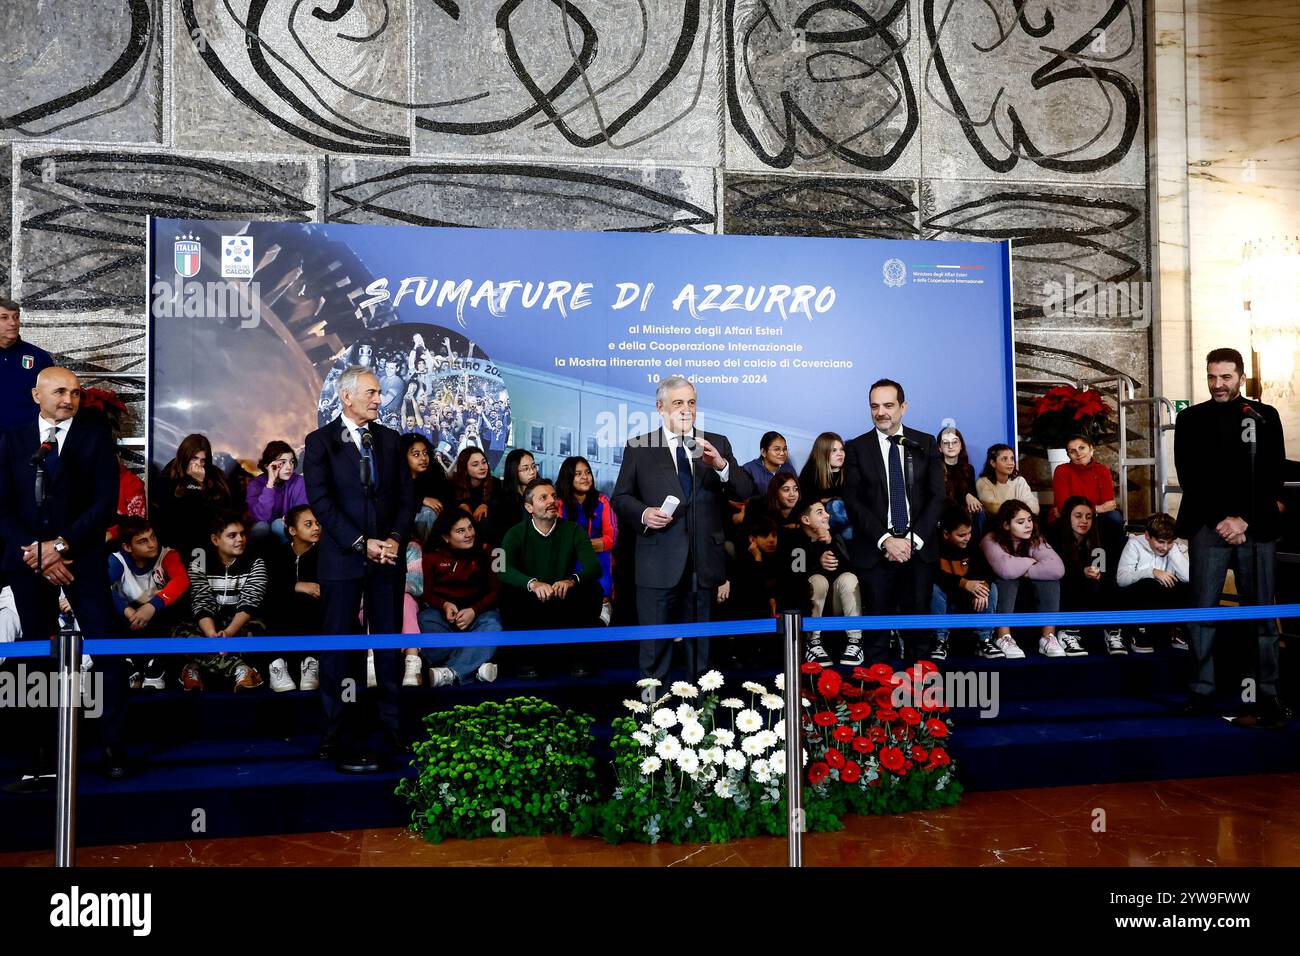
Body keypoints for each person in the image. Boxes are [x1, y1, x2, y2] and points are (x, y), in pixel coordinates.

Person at [0, 367, 129, 788]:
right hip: (28, 563)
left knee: (107, 651)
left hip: (82, 561)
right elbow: (3, 506)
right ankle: (38, 752)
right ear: (36, 393)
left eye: (75, 392)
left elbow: (104, 504)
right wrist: (36, 551)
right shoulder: (14, 439)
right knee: (35, 658)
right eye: (59, 391)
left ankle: (113, 747)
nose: (68, 399)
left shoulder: (95, 438)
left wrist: (59, 546)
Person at [303, 364, 415, 772]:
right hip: (343, 560)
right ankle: (336, 732)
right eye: (370, 392)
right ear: (346, 395)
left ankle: (390, 727)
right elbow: (322, 502)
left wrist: (395, 541)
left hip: (387, 559)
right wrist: (359, 543)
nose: (378, 399)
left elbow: (406, 499)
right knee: (339, 649)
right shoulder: (320, 443)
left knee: (387, 646)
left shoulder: (389, 440)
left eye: (379, 392)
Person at [1173, 348, 1287, 726]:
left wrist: (1245, 522)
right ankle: (1201, 691)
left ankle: (1266, 695)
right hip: (1209, 527)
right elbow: (1190, 476)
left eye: (1225, 377)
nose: (1218, 384)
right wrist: (1223, 520)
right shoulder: (1190, 419)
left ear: (1240, 377)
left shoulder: (1264, 416)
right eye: (1211, 377)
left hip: (1256, 530)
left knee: (1263, 615)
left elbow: (1272, 475)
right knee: (1202, 612)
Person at [611, 376, 754, 679]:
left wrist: (721, 466)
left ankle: (699, 719)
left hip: (703, 565)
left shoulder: (716, 443)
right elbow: (620, 498)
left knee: (700, 650)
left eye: (691, 403)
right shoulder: (640, 447)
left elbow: (743, 490)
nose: (686, 410)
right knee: (654, 649)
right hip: (657, 562)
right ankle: (652, 718)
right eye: (678, 403)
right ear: (660, 407)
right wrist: (644, 513)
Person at [841, 379, 945, 664]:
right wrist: (888, 540)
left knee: (919, 638)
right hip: (876, 553)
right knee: (876, 639)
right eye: (874, 406)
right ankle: (879, 704)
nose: (881, 412)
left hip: (918, 551)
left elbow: (937, 497)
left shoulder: (924, 443)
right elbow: (853, 501)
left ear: (903, 407)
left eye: (888, 405)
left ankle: (918, 703)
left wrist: (912, 541)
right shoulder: (857, 448)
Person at [499, 478, 603, 679]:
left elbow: (594, 567)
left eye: (553, 496)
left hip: (563, 596)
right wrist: (532, 583)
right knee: (507, 593)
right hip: (531, 599)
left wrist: (571, 580)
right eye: (543, 497)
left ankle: (580, 658)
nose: (551, 501)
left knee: (592, 590)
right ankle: (525, 661)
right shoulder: (514, 533)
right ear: (529, 507)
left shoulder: (574, 530)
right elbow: (501, 570)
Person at [176, 511, 267, 691]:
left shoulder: (255, 561)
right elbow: (201, 601)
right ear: (215, 540)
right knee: (178, 634)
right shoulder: (199, 561)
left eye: (242, 534)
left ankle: (195, 667)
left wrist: (228, 634)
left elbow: (250, 602)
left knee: (260, 632)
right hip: (208, 625)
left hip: (240, 624)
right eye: (232, 535)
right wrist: (212, 635)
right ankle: (240, 669)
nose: (240, 539)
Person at [414, 509, 501, 686]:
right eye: (461, 531)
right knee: (424, 621)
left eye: (470, 528)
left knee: (493, 626)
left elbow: (496, 592)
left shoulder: (489, 552)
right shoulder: (432, 557)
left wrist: (474, 611)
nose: (469, 534)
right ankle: (476, 665)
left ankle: (451, 672)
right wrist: (445, 605)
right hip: (444, 616)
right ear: (446, 537)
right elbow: (428, 594)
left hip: (479, 613)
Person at [109, 515, 191, 690]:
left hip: (159, 617)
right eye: (143, 541)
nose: (152, 544)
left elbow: (182, 580)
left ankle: (155, 665)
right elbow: (102, 589)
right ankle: (129, 665)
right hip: (129, 620)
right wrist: (127, 611)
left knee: (173, 617)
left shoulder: (167, 554)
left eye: (153, 537)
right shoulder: (118, 560)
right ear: (127, 547)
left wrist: (154, 605)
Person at [980, 500, 1065, 659]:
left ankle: (1048, 638)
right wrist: (1030, 561)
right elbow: (1005, 569)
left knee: (1051, 580)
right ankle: (1003, 636)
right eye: (1020, 522)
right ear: (1006, 525)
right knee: (1007, 579)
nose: (1028, 525)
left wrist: (1024, 571)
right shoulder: (991, 539)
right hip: (996, 587)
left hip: (1028, 587)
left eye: (1029, 520)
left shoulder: (1034, 539)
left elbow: (1057, 569)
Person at [784, 499, 863, 666]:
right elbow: (794, 580)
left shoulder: (836, 537)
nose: (827, 515)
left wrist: (830, 543)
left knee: (849, 578)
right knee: (818, 580)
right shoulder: (795, 540)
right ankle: (813, 642)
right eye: (820, 512)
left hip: (836, 605)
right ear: (806, 520)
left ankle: (855, 642)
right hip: (808, 607)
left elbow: (853, 571)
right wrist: (817, 563)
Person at [1048, 496, 1122, 656]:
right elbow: (1054, 569)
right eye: (1078, 516)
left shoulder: (1097, 537)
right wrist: (1080, 571)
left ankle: (1112, 632)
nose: (1084, 521)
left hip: (1089, 588)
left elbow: (1100, 568)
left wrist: (1097, 574)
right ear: (1068, 517)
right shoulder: (1054, 534)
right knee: (1073, 581)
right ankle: (1068, 633)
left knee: (1108, 583)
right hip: (1062, 584)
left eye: (1089, 517)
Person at [263, 505, 323, 693]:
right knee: (278, 602)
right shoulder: (277, 554)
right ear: (292, 530)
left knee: (308, 601)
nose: (316, 528)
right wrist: (297, 586)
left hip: (312, 617)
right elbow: (269, 589)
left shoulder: (324, 554)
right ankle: (277, 664)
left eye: (317, 523)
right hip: (283, 616)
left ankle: (310, 662)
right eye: (308, 524)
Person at [931, 503, 999, 660]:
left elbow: (987, 571)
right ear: (946, 534)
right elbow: (933, 575)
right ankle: (940, 641)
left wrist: (983, 588)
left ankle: (985, 640)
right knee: (933, 589)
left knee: (992, 588)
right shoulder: (934, 546)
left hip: (970, 598)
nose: (967, 538)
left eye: (969, 533)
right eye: (961, 535)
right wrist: (964, 583)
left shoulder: (972, 543)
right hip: (946, 594)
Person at [1116, 512, 1190, 654]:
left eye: (1169, 542)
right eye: (1161, 542)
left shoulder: (1175, 548)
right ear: (1147, 536)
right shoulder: (1134, 545)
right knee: (1149, 583)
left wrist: (1173, 551)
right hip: (1140, 599)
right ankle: (1139, 631)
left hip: (1164, 601)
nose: (1165, 547)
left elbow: (1187, 577)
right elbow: (1122, 579)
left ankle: (1176, 630)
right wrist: (1152, 572)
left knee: (1186, 585)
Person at [556, 455, 617, 625]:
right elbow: (559, 539)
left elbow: (611, 538)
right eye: (578, 474)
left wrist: (582, 547)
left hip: (598, 556)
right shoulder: (558, 504)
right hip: (570, 557)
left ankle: (604, 603)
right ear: (568, 478)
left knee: (604, 555)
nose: (585, 477)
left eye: (588, 472)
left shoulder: (602, 500)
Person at [152, 433, 233, 562]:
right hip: (176, 539)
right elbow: (171, 516)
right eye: (194, 458)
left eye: (202, 460)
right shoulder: (168, 477)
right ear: (185, 457)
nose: (198, 464)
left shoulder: (216, 477)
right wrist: (192, 485)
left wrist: (199, 485)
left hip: (207, 539)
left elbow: (216, 514)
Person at [0, 297, 53, 434]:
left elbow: (53, 404)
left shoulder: (40, 357)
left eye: (16, 317)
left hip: (28, 440)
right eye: (4, 318)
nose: (13, 323)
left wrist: (51, 441)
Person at [1053, 435, 1122, 531]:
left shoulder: (1102, 470)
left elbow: (1108, 505)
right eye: (1072, 451)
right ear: (1068, 455)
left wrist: (1087, 510)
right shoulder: (1062, 471)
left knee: (1114, 517)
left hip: (1095, 518)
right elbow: (1064, 507)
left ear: (1091, 448)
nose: (1078, 453)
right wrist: (1098, 509)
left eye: (1082, 448)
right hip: (1069, 519)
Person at [246, 440, 309, 543]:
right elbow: (261, 517)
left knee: (278, 525)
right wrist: (270, 484)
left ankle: (289, 556)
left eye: (292, 461)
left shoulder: (299, 481)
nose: (289, 467)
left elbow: (302, 514)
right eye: (283, 462)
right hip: (263, 530)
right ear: (268, 466)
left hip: (290, 530)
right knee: (261, 527)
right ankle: (259, 559)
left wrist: (286, 522)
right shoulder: (255, 484)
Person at [798, 431, 853, 541]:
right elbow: (808, 502)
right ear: (823, 453)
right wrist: (834, 497)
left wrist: (829, 497)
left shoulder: (847, 470)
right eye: (834, 450)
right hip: (818, 518)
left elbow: (850, 495)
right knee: (835, 505)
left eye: (842, 449)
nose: (840, 454)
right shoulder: (810, 471)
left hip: (844, 519)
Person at [401, 432, 451, 543]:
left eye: (425, 453)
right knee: (427, 513)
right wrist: (421, 500)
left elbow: (447, 500)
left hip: (438, 527)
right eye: (416, 454)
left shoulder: (434, 474)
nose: (423, 458)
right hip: (402, 531)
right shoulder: (394, 478)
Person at [976, 444, 1039, 519]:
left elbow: (1034, 507)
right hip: (996, 525)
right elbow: (994, 507)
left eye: (1012, 458)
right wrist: (1019, 514)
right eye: (1004, 459)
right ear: (993, 463)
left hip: (1020, 523)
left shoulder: (1019, 481)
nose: (1011, 463)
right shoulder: (983, 482)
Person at [937, 424, 982, 521]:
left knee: (980, 511)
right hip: (945, 513)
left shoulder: (968, 469)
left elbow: (973, 496)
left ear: (961, 446)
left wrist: (970, 496)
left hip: (965, 513)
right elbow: (941, 498)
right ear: (940, 448)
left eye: (955, 442)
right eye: (945, 443)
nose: (950, 446)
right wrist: (966, 495)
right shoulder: (935, 469)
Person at [451, 445, 499, 536]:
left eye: (484, 462)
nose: (482, 467)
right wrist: (461, 505)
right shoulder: (452, 484)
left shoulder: (496, 483)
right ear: (465, 468)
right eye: (475, 464)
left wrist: (486, 505)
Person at [494, 448, 538, 541]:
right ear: (514, 471)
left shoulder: (543, 493)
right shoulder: (503, 500)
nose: (532, 472)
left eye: (534, 466)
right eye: (525, 469)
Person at [741, 431, 797, 496]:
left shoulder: (789, 469)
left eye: (785, 449)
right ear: (763, 452)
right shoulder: (749, 469)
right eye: (777, 449)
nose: (782, 453)